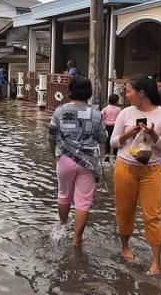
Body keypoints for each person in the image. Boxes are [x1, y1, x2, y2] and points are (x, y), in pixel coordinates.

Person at [110, 74, 161, 276]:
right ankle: (125, 247)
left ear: (142, 93)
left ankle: (156, 261)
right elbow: (112, 142)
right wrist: (129, 134)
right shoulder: (125, 113)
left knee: (153, 215)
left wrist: (153, 135)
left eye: (129, 90)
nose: (126, 94)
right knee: (124, 210)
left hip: (152, 170)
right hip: (125, 167)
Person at [48, 76, 107, 246]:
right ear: (89, 92)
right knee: (83, 201)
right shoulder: (96, 113)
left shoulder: (60, 111)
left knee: (63, 195)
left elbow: (51, 136)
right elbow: (103, 138)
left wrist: (55, 156)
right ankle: (77, 238)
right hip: (87, 162)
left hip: (64, 159)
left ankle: (63, 226)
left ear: (70, 90)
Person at [101, 94, 121, 161]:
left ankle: (107, 154)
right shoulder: (118, 109)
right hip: (116, 126)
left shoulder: (106, 109)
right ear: (117, 101)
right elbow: (120, 118)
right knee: (115, 140)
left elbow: (101, 116)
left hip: (107, 127)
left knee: (107, 140)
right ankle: (115, 155)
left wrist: (104, 121)